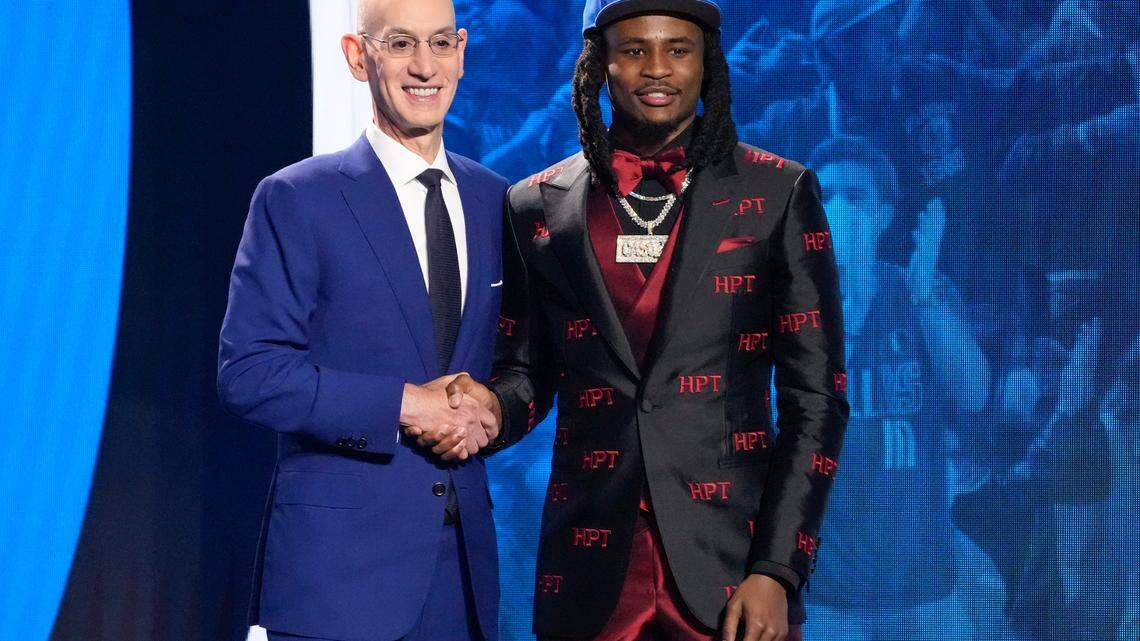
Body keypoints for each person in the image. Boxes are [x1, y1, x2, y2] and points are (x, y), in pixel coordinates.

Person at [442, 1, 850, 639]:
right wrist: (487, 409)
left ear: (707, 63)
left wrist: (778, 571)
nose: (656, 69)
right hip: (589, 568)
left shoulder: (780, 193)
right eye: (633, 50)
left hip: (733, 575)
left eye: (678, 49)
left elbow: (816, 400)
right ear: (599, 65)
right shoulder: (532, 204)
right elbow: (527, 371)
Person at [216, 1, 504, 639]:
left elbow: (514, 364)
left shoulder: (494, 199)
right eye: (400, 43)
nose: (424, 66)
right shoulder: (297, 197)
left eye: (439, 43)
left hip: (461, 572)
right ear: (356, 56)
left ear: (461, 51)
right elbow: (251, 372)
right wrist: (403, 405)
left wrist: (498, 407)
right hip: (337, 576)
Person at [802, 136, 992, 641]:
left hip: (923, 577)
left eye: (859, 198)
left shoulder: (920, 289)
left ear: (885, 212)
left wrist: (926, 297)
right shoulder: (785, 304)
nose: (843, 209)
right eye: (830, 197)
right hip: (826, 585)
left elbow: (973, 392)